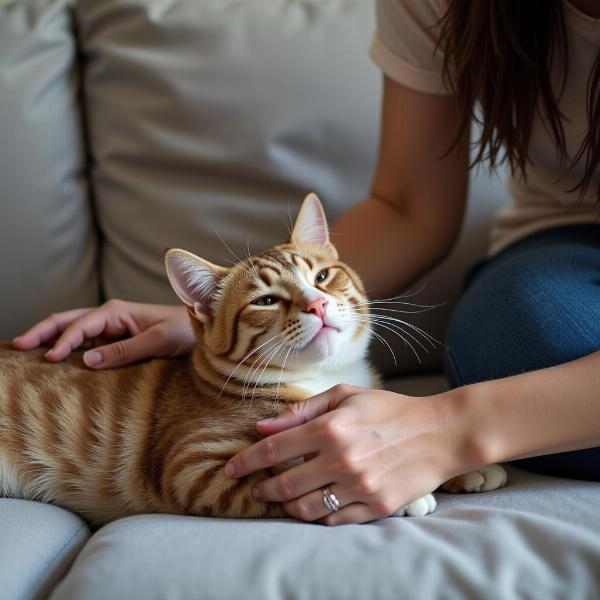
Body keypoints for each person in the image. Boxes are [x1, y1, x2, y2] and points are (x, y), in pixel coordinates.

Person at [13, 0, 600, 525]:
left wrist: (447, 435)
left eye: (322, 279)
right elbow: (408, 207)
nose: (316, 303)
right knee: (530, 337)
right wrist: (198, 322)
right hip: (561, 243)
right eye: (272, 299)